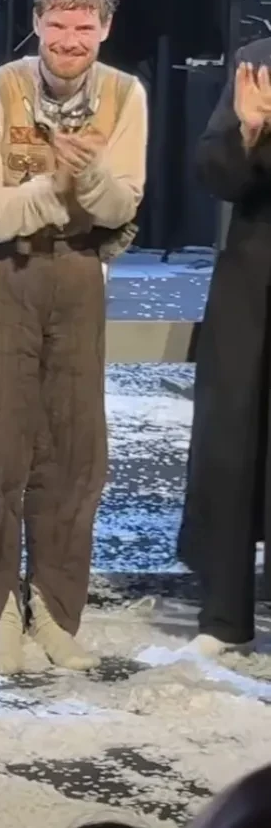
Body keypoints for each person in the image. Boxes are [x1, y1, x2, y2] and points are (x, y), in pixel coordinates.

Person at [0, 0, 148, 674]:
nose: (69, 40)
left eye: (83, 27)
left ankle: (56, 609)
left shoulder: (125, 95)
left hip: (77, 274)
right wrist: (52, 187)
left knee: (73, 449)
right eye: (57, 25)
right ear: (37, 23)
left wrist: (88, 178)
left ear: (105, 30)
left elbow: (122, 203)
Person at [178, 43, 271, 656]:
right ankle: (224, 616)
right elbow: (215, 173)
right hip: (254, 281)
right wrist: (249, 129)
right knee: (231, 439)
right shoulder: (258, 61)